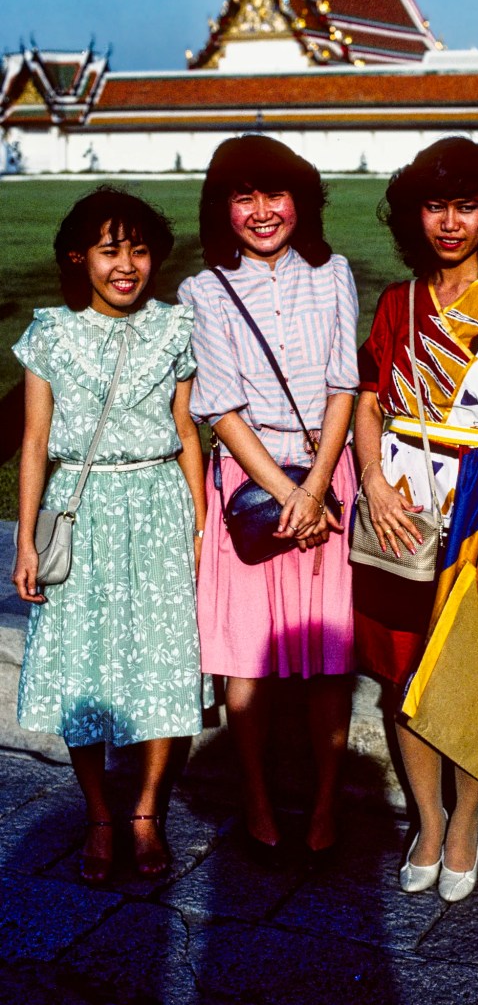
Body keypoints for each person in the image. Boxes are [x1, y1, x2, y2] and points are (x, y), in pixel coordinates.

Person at [353, 137, 478, 900]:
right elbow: (368, 398)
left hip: (475, 495)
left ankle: (466, 821)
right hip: (400, 495)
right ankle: (426, 819)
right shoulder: (397, 301)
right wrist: (370, 478)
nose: (450, 222)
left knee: (463, 667)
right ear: (413, 214)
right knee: (401, 671)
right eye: (435, 206)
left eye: (467, 205)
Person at [12, 187, 210, 884]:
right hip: (81, 507)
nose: (125, 265)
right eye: (108, 250)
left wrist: (198, 522)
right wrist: (26, 541)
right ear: (78, 257)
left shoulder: (175, 326)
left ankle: (147, 811)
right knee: (81, 663)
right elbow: (35, 441)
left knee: (165, 657)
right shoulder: (50, 333)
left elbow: (188, 431)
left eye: (138, 249)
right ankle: (100, 814)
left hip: (159, 503)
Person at [179, 135, 358, 863]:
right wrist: (288, 492)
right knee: (245, 664)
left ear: (300, 200)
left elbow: (345, 381)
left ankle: (323, 804)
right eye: (242, 196)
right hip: (251, 488)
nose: (260, 212)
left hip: (325, 474)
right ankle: (253, 796)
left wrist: (316, 487)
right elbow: (219, 409)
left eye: (273, 194)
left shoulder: (332, 272)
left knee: (325, 660)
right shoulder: (203, 289)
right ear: (221, 207)